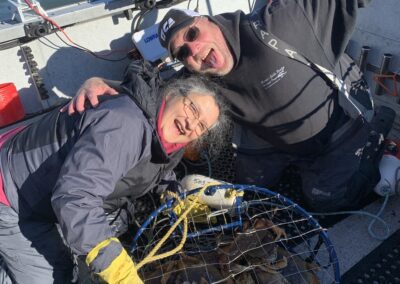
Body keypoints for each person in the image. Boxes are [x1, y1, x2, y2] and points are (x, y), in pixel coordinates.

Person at [64, 1, 388, 212]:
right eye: (182, 53)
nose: (194, 50)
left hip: (338, 131)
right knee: (249, 196)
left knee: (324, 200)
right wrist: (103, 84)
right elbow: (153, 97)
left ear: (209, 21)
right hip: (273, 143)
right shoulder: (198, 73)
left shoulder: (283, 23)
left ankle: (381, 137)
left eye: (193, 33)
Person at [0, 60, 229, 283]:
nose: (191, 124)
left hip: (43, 190)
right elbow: (75, 197)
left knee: (72, 259)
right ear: (171, 95)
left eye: (201, 126)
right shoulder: (125, 125)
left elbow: (153, 165)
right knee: (58, 276)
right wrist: (117, 269)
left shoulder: (170, 138)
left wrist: (171, 192)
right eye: (192, 108)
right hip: (13, 194)